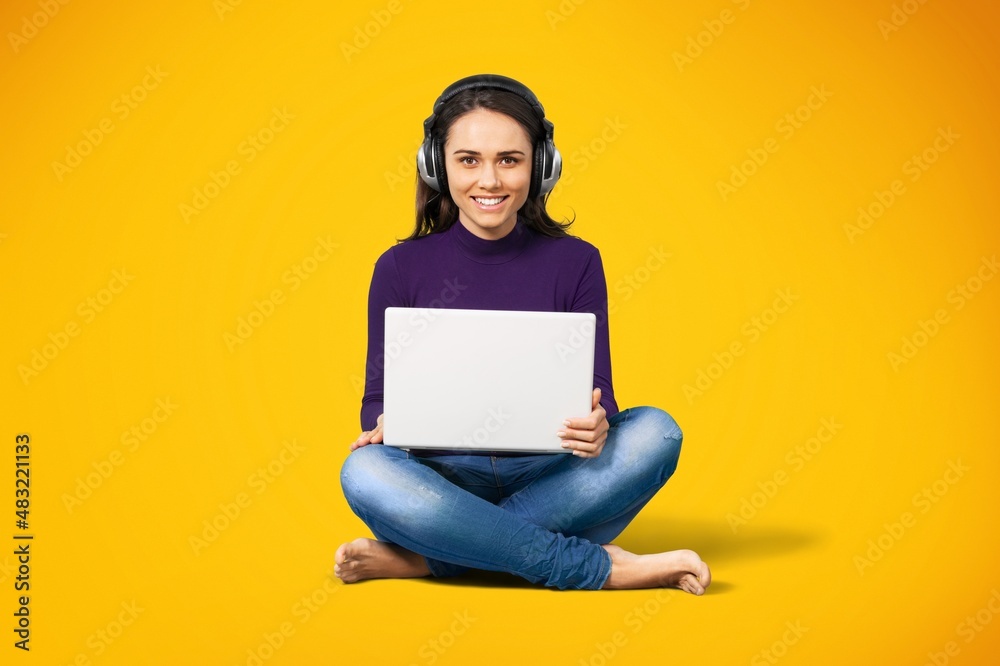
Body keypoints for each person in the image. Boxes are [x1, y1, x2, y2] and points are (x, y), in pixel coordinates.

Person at [336, 74, 711, 593]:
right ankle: (593, 568)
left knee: (657, 433)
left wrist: (599, 422)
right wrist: (382, 425)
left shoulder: (577, 261)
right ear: (436, 165)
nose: (489, 180)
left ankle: (438, 557)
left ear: (540, 166)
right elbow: (374, 404)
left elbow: (601, 393)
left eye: (509, 160)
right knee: (365, 471)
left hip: (550, 474)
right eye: (468, 160)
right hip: (442, 477)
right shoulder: (399, 267)